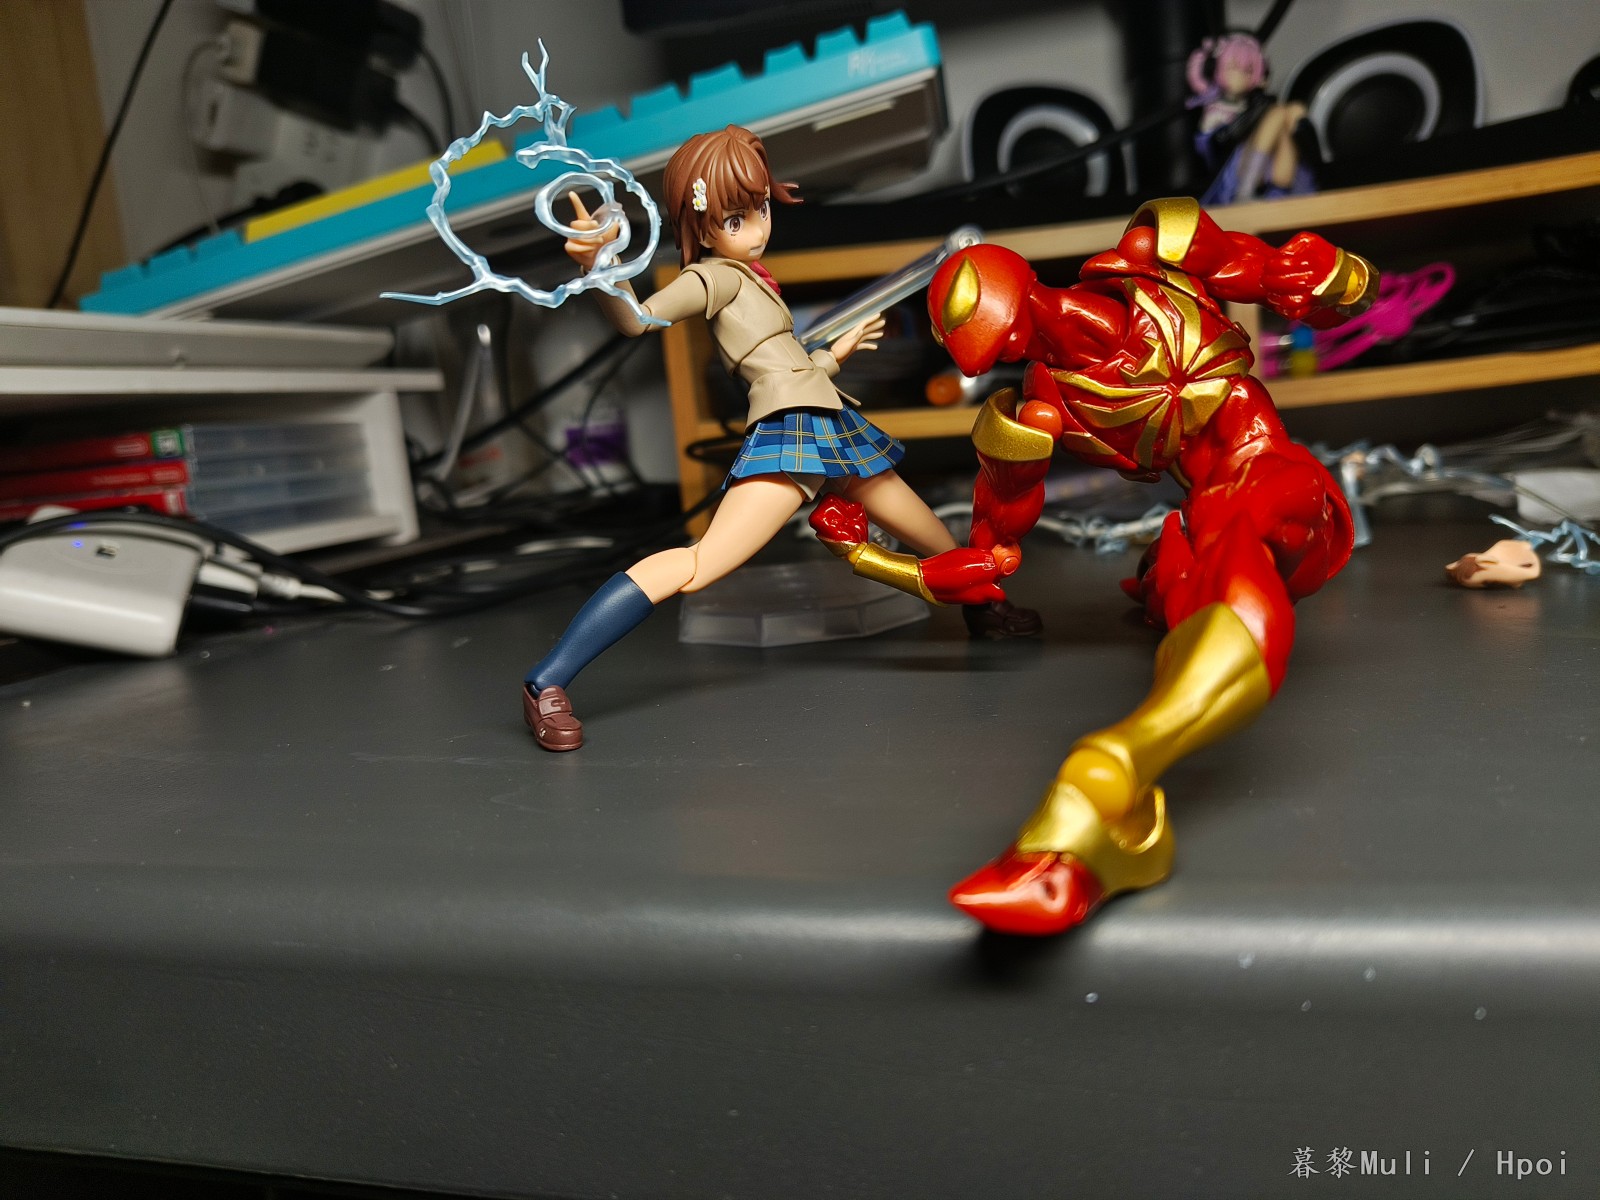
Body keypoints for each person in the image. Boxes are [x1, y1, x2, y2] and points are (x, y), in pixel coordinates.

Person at [813, 198, 1377, 934]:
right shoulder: (1037, 417)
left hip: (1279, 485)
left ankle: (1109, 772)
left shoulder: (1158, 257)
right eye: (1001, 352)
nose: (1016, 352)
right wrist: (867, 557)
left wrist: (1335, 277)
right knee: (1194, 571)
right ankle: (1095, 839)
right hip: (1199, 536)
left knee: (1233, 524)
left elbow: (1295, 282)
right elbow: (986, 560)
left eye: (1008, 337)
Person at [524, 125, 1035, 751]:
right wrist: (601, 268)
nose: (758, 228)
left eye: (761, 208)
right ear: (702, 221)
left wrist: (835, 355)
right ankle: (548, 680)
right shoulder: (711, 279)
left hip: (830, 424)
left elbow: (786, 366)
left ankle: (981, 606)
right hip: (791, 432)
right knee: (699, 565)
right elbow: (638, 320)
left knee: (929, 532)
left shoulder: (754, 278)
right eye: (736, 219)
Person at [1188, 32, 1314, 205]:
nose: (1241, 75)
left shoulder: (1254, 104)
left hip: (1273, 170)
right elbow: (1217, 145)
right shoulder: (1215, 110)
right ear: (1216, 68)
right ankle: (1245, 191)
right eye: (1233, 67)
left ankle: (1292, 185)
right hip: (1232, 172)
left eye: (1248, 70)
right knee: (1278, 113)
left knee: (1294, 110)